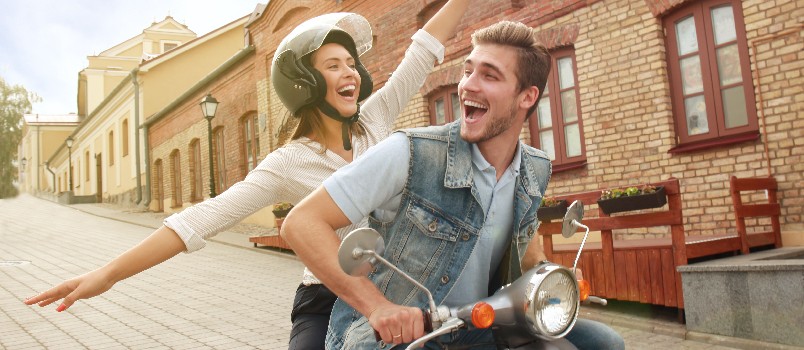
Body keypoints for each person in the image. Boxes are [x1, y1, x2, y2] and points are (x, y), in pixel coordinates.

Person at [23, 2, 469, 349]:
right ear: (304, 84)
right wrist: (107, 274)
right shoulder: (288, 162)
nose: (350, 72)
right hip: (326, 297)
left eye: (352, 64)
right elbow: (200, 219)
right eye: (333, 65)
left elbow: (422, 49)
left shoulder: (376, 120)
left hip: (401, 287)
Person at [281, 20, 625, 349]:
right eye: (468, 71)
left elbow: (527, 251)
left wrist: (550, 278)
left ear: (526, 97)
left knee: (604, 342)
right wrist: (377, 307)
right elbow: (301, 223)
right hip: (397, 337)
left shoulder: (533, 168)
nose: (468, 85)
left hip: (478, 326)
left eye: (489, 75)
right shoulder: (411, 152)